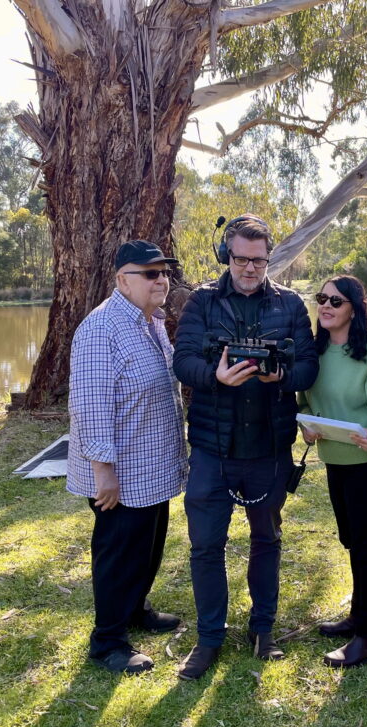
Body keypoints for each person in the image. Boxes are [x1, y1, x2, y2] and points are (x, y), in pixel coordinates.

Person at [172, 214, 318, 680]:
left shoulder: (291, 305)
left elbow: (309, 369)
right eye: (241, 259)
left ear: (268, 259)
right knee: (206, 547)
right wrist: (213, 376)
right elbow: (183, 360)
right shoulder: (201, 301)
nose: (250, 268)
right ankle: (209, 638)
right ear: (226, 256)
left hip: (269, 447)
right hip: (213, 447)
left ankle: (263, 630)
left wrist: (281, 377)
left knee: (267, 540)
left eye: (258, 260)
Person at [66, 240, 188, 675]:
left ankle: (135, 610)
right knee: (119, 553)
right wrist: (104, 471)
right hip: (120, 473)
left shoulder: (149, 322)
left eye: (165, 272)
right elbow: (90, 404)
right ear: (122, 279)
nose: (162, 280)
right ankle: (108, 642)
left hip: (151, 467)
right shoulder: (102, 329)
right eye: (150, 273)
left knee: (148, 546)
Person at [298, 276, 367, 668]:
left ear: (354, 310)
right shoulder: (316, 350)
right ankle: (359, 616)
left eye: (335, 301)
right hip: (336, 462)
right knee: (351, 541)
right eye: (321, 298)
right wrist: (306, 427)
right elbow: (305, 398)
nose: (325, 306)